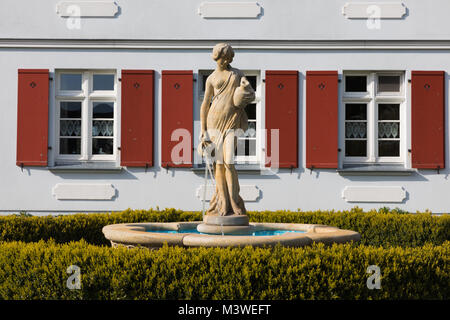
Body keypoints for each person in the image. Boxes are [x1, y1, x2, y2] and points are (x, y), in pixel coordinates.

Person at [199, 43, 255, 216]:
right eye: (224, 58)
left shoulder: (237, 74)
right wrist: (203, 129)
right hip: (213, 122)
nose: (226, 61)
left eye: (229, 58)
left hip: (232, 122)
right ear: (217, 58)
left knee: (229, 162)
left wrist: (246, 87)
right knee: (219, 165)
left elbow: (249, 96)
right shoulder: (211, 78)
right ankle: (223, 203)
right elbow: (205, 104)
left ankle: (234, 201)